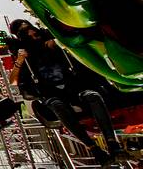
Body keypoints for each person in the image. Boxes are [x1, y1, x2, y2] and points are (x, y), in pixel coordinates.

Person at [8, 19, 119, 164]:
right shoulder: (24, 55)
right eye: (26, 32)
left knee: (93, 95)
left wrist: (58, 44)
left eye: (33, 30)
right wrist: (19, 60)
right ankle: (92, 147)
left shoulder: (52, 42)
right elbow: (13, 81)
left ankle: (112, 142)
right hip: (49, 92)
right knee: (57, 105)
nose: (33, 33)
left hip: (72, 86)